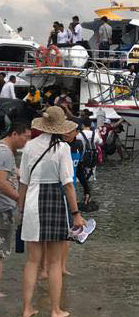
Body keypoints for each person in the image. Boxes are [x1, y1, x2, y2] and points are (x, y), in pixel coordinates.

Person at [18, 106, 84, 317]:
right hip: (54, 200)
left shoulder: (29, 146)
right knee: (55, 262)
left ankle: (27, 309)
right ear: (60, 126)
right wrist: (76, 213)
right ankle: (55, 310)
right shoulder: (63, 148)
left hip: (32, 201)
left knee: (32, 261)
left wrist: (20, 209)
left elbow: (23, 182)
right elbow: (68, 184)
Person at [0, 121, 30, 297]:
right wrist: (19, 199)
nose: (26, 142)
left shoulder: (3, 151)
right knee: (1, 251)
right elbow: (1, 182)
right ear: (14, 134)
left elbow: (9, 173)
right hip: (3, 208)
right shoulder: (5, 153)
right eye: (25, 137)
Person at [76, 118, 102, 182]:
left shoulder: (79, 135)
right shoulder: (95, 134)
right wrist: (99, 133)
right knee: (91, 179)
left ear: (82, 125)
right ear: (90, 125)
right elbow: (101, 143)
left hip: (81, 158)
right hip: (92, 159)